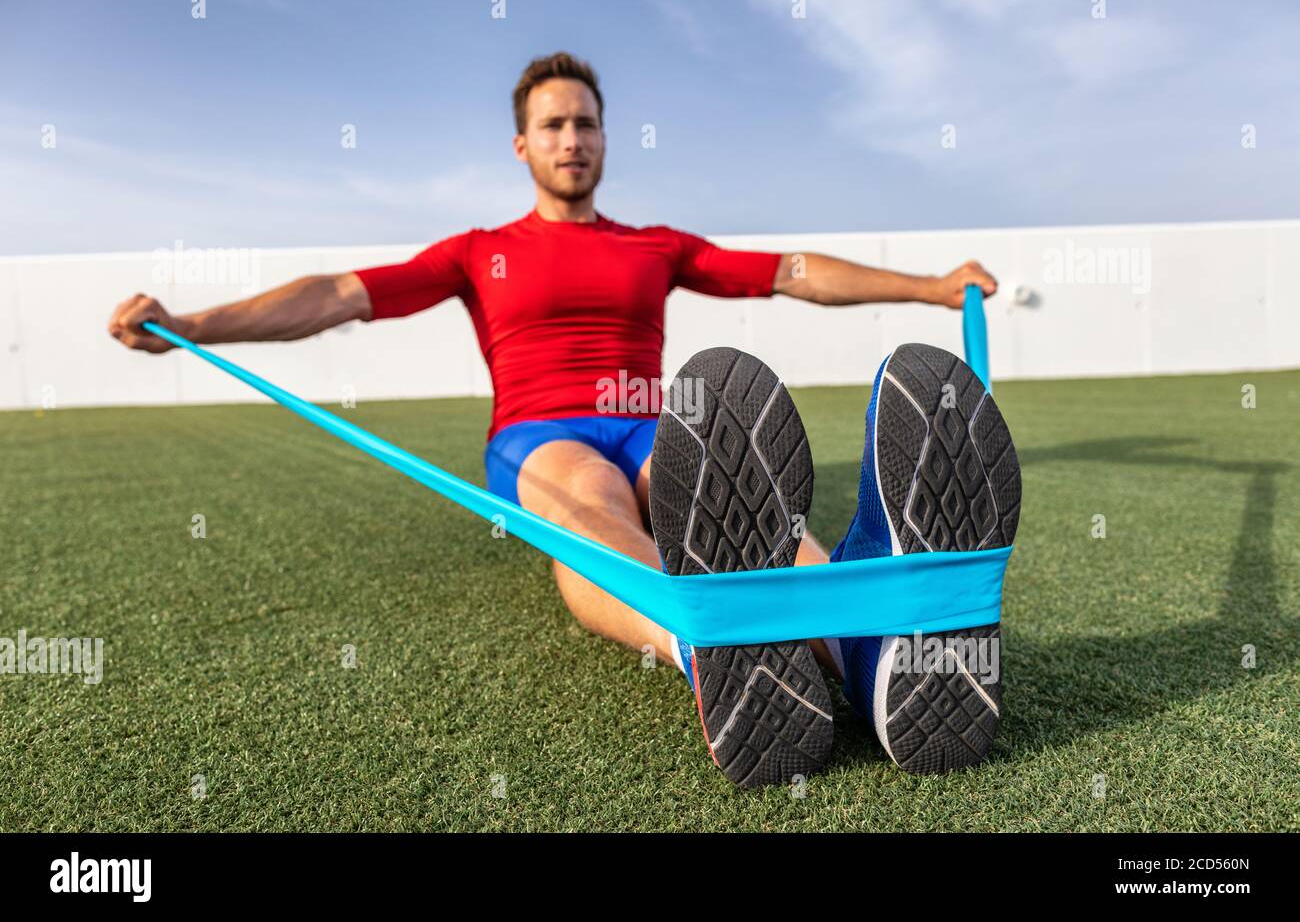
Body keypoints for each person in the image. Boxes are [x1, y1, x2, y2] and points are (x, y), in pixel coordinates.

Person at [109, 52, 1006, 787]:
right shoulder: (478, 252)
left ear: (607, 138)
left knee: (744, 497)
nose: (572, 139)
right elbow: (337, 296)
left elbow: (788, 272)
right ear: (521, 144)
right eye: (554, 125)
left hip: (655, 421)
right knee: (587, 505)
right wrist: (192, 326)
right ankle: (705, 647)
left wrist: (928, 288)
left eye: (585, 123)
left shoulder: (653, 245)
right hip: (543, 433)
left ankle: (869, 647)